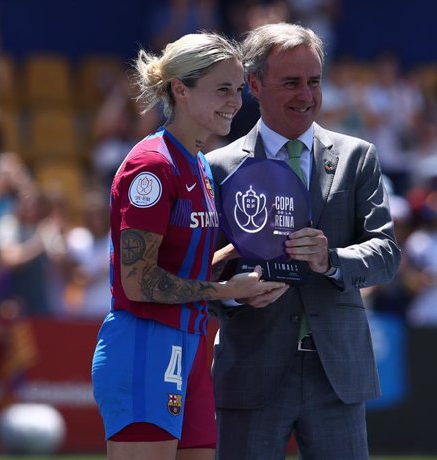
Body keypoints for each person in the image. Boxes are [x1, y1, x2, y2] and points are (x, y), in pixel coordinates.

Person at [206, 23, 401, 460]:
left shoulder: (358, 157)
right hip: (252, 368)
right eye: (290, 82)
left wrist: (331, 259)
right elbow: (203, 274)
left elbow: (386, 253)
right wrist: (237, 296)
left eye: (314, 81)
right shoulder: (216, 168)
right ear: (254, 85)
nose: (306, 95)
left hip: (336, 372)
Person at [90, 32, 286, 460]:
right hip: (145, 342)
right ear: (180, 88)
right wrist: (226, 292)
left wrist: (236, 256)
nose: (235, 102)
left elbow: (179, 265)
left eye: (237, 90)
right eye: (222, 89)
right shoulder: (153, 167)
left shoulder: (196, 161)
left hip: (189, 344)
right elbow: (138, 282)